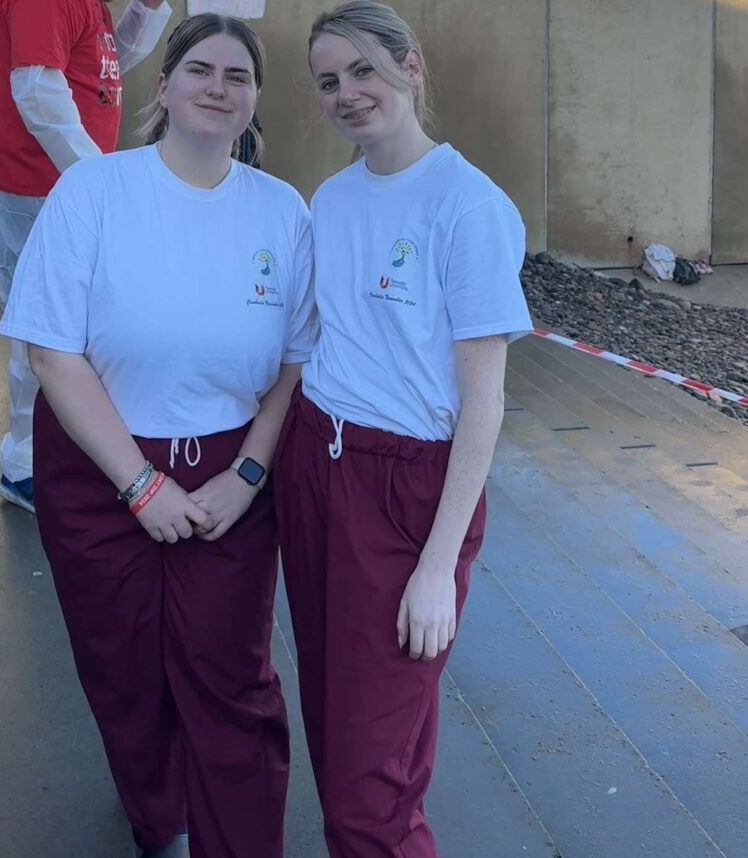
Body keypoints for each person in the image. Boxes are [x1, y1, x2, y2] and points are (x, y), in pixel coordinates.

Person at [0, 13, 316, 858]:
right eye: (201, 69)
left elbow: (294, 365)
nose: (218, 86)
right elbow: (52, 351)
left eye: (238, 76)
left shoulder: (282, 213)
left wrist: (246, 477)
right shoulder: (96, 192)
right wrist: (139, 484)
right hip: (99, 465)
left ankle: (242, 842)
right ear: (165, 85)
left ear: (254, 101)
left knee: (231, 675)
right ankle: (159, 819)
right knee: (125, 669)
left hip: (225, 471)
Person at [273, 2, 533, 856]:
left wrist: (436, 567)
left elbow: (484, 402)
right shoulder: (334, 199)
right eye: (328, 81)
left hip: (406, 490)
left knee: (365, 788)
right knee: (340, 725)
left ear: (411, 66)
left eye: (363, 70)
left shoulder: (468, 207)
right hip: (317, 462)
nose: (347, 93)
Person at [0, 0, 172, 514]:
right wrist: (97, 181)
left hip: (54, 183)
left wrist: (147, 9)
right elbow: (37, 90)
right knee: (42, 327)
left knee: (63, 325)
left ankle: (55, 454)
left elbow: (106, 65)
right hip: (32, 185)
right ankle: (27, 466)